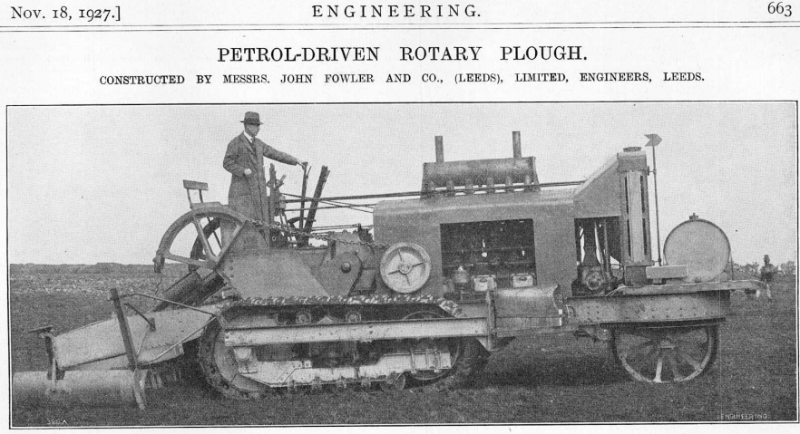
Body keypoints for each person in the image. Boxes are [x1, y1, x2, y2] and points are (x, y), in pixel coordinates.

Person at [223, 111, 307, 220]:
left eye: (258, 126)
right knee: (246, 225)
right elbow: (227, 163)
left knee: (261, 224)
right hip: (242, 195)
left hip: (258, 193)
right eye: (256, 126)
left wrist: (295, 160)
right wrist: (242, 170)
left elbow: (275, 153)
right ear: (247, 126)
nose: (258, 129)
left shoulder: (259, 144)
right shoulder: (235, 143)